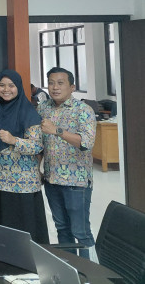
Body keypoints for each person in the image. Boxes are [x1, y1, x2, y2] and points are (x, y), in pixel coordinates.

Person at [0, 70, 48, 243]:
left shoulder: (28, 111)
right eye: (2, 85)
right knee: (2, 228)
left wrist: (14, 140)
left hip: (22, 182)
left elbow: (37, 145)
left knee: (22, 230)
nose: (6, 89)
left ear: (18, 87)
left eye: (11, 85)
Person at [39, 67, 97, 259]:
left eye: (60, 83)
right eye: (51, 83)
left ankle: (90, 272)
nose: (55, 87)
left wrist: (57, 130)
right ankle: (70, 270)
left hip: (76, 182)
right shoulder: (43, 108)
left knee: (81, 232)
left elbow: (86, 143)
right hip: (51, 180)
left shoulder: (83, 110)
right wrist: (37, 167)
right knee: (62, 229)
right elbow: (40, 142)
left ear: (72, 87)